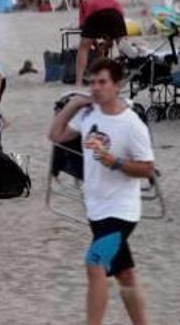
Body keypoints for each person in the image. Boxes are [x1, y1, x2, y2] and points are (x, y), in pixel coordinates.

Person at [48, 59, 154, 325]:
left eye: (102, 82)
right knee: (125, 274)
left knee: (94, 264)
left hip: (121, 211)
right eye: (92, 82)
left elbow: (148, 168)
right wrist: (73, 104)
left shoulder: (132, 124)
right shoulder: (88, 115)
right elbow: (56, 135)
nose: (95, 88)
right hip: (96, 207)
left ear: (117, 85)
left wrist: (116, 162)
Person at [76, 0, 126, 87]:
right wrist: (104, 45)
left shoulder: (85, 1)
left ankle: (78, 81)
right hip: (115, 13)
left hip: (95, 12)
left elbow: (83, 27)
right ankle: (123, 76)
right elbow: (115, 28)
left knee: (84, 47)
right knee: (122, 45)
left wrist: (96, 45)